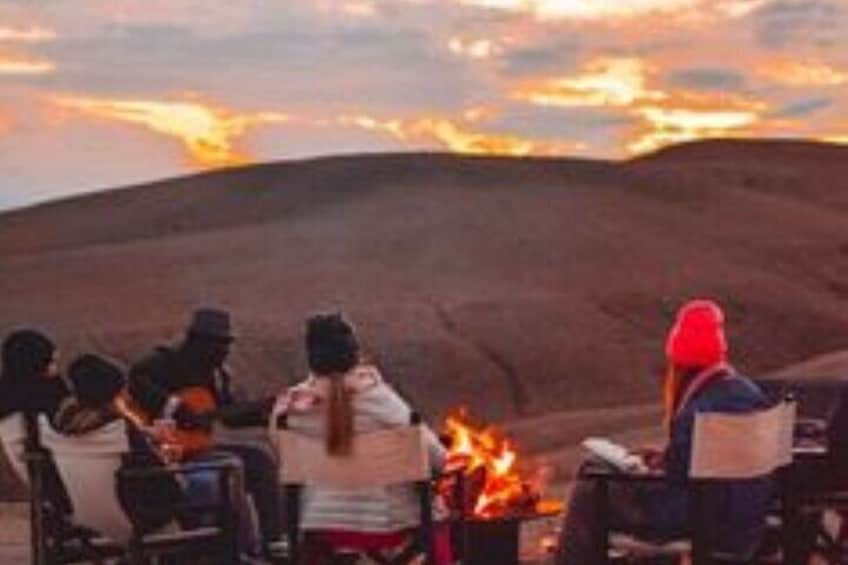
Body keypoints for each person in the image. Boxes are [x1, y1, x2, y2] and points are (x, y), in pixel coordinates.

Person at [556, 299, 773, 564]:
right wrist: (665, 457)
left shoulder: (698, 412)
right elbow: (704, 463)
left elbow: (677, 482)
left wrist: (648, 469)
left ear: (680, 365)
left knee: (589, 485)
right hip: (745, 519)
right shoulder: (750, 394)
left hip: (697, 518)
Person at [271, 313, 452, 564]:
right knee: (440, 515)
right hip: (390, 526)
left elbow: (283, 453)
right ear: (355, 354)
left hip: (322, 528)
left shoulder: (288, 408)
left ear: (311, 357)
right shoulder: (380, 398)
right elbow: (438, 458)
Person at [127, 308, 281, 555]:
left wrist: (268, 415)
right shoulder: (165, 361)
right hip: (163, 453)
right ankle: (239, 549)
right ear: (197, 342)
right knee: (231, 466)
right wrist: (176, 408)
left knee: (260, 459)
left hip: (198, 449)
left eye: (226, 345)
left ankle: (274, 543)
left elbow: (229, 417)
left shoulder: (218, 375)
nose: (224, 352)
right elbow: (136, 379)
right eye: (219, 345)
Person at [0, 329, 72, 513]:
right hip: (68, 490)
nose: (56, 369)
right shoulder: (43, 404)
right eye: (51, 363)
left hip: (48, 491)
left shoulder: (8, 398)